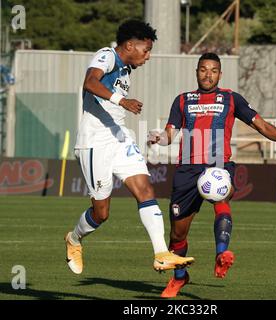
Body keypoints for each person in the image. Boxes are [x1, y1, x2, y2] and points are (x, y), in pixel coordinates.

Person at [148, 52, 276, 298]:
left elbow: (262, 126)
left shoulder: (231, 98)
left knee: (222, 194)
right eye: (203, 69)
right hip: (187, 170)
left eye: (213, 70)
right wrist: (159, 138)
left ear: (220, 74)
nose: (208, 74)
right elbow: (170, 133)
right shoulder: (182, 100)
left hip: (218, 164)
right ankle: (180, 277)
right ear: (197, 71)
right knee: (177, 234)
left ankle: (222, 252)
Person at [64, 20, 194, 275]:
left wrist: (120, 104)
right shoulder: (107, 55)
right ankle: (74, 239)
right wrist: (121, 100)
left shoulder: (125, 70)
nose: (148, 56)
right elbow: (90, 83)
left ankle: (161, 254)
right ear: (130, 45)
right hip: (94, 143)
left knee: (145, 189)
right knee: (101, 213)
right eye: (145, 50)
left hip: (119, 137)